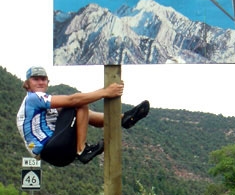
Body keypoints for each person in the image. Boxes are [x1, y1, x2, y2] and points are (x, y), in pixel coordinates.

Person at [16, 66, 150, 166]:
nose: (40, 82)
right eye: (35, 79)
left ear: (47, 82)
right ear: (27, 84)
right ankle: (82, 150)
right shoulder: (33, 98)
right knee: (79, 103)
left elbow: (89, 119)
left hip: (60, 155)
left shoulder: (43, 107)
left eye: (43, 79)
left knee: (81, 110)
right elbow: (73, 100)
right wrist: (106, 92)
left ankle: (122, 119)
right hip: (50, 148)